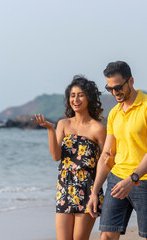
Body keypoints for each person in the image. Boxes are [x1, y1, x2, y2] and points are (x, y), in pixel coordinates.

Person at [88, 61, 147, 240]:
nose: (115, 92)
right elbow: (107, 155)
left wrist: (132, 179)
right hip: (116, 179)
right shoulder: (114, 113)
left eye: (118, 87)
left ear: (130, 81)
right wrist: (94, 192)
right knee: (107, 236)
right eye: (110, 89)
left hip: (144, 181)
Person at [31, 75, 106, 240]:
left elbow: (105, 163)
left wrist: (96, 193)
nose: (76, 99)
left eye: (80, 95)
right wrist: (50, 129)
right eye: (72, 95)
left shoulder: (98, 129)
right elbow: (56, 156)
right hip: (65, 187)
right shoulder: (63, 124)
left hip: (88, 189)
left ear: (89, 97)